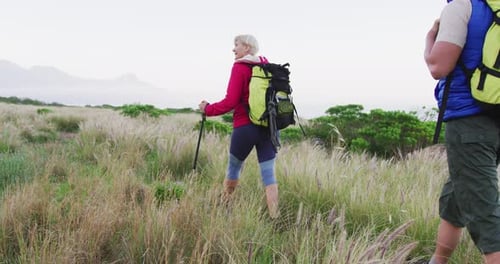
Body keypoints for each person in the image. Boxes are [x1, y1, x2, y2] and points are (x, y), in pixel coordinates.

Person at [424, 0, 499, 263]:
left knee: (485, 215)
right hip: (496, 119)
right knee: (457, 193)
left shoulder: (462, 7)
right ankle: (439, 259)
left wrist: (430, 37)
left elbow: (438, 67)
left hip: (469, 121)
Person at [198, 34, 279, 219]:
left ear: (247, 48)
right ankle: (275, 218)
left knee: (234, 168)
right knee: (269, 175)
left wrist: (207, 109)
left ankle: (224, 209)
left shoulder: (240, 67)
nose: (233, 49)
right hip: (269, 128)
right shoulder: (267, 66)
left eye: (237, 45)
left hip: (245, 127)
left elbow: (230, 102)